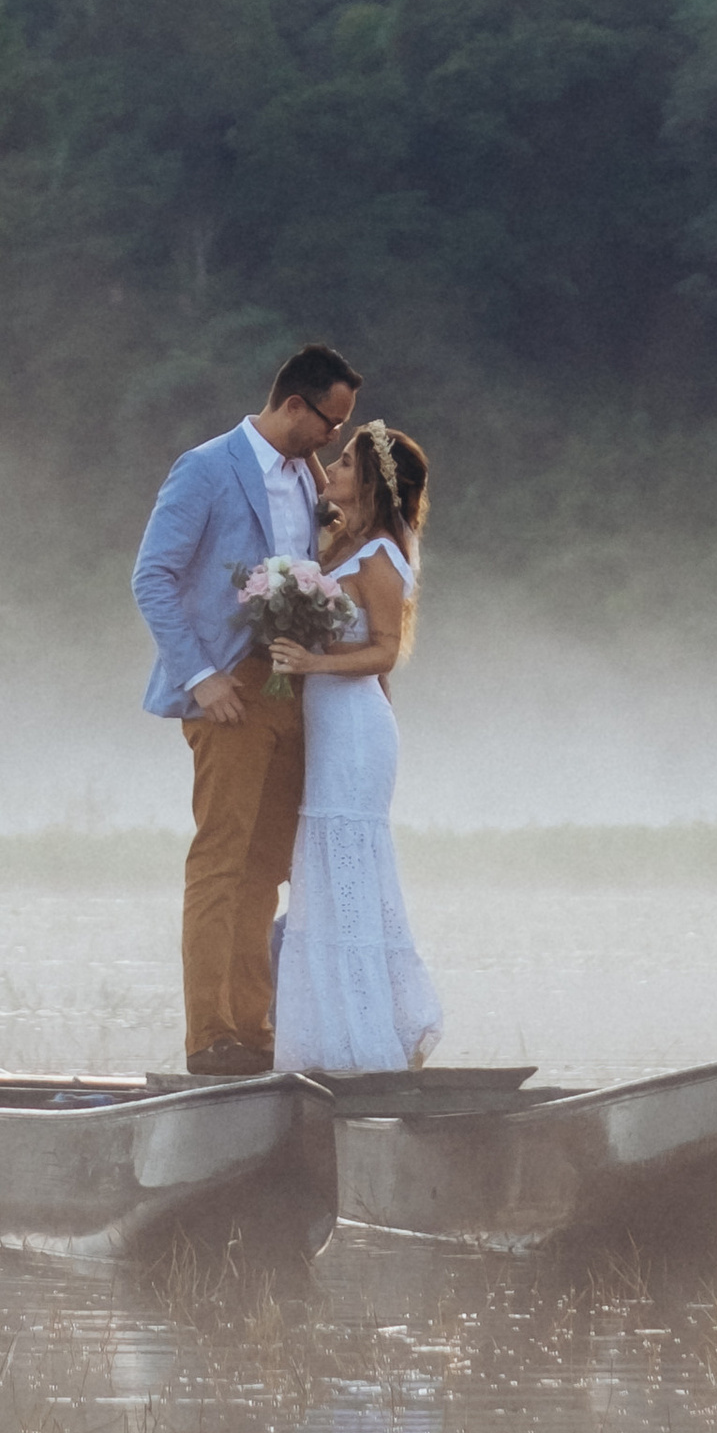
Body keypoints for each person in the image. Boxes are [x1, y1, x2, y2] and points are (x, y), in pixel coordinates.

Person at [130, 340, 362, 1077]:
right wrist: (200, 676)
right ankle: (211, 1038)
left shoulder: (307, 476)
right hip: (228, 690)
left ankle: (256, 1031)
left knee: (268, 868)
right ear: (294, 404)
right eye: (330, 421)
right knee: (221, 865)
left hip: (291, 690)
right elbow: (153, 577)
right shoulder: (206, 468)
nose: (336, 437)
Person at [268, 418, 442, 1074]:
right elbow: (319, 480)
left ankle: (374, 1038)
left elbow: (385, 653)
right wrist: (306, 444)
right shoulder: (343, 542)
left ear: (369, 482)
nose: (330, 471)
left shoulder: (382, 558)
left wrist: (308, 665)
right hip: (330, 722)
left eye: (344, 463)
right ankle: (326, 1037)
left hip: (355, 724)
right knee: (326, 874)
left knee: (350, 871)